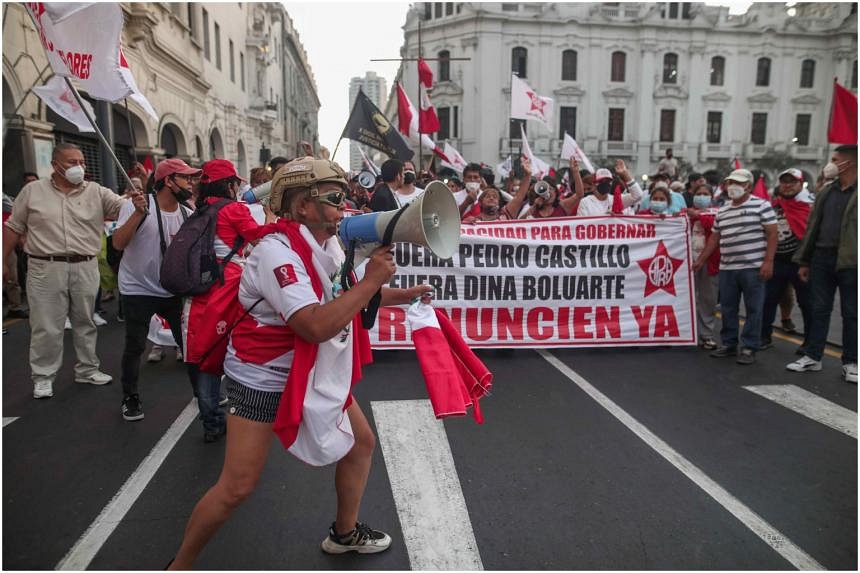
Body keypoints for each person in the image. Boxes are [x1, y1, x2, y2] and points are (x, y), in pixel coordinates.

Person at [167, 157, 432, 568]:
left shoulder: (325, 245)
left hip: (306, 370)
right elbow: (313, 324)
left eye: (343, 197)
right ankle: (178, 564)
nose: (343, 207)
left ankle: (344, 534)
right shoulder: (277, 254)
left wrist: (407, 292)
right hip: (262, 379)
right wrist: (372, 281)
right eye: (333, 198)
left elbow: (341, 295)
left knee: (359, 445)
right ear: (301, 205)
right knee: (236, 486)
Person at [3, 143, 134, 398]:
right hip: (44, 266)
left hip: (85, 265)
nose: (79, 167)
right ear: (55, 165)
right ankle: (43, 377)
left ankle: (87, 369)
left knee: (85, 321)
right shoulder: (32, 192)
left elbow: (125, 208)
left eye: (82, 162)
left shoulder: (96, 191)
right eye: (72, 162)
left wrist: (139, 196)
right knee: (46, 325)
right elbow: (13, 227)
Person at [182, 158, 276, 442]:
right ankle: (222, 416)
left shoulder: (200, 210)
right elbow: (261, 237)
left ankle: (211, 418)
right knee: (228, 352)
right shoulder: (233, 209)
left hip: (202, 289)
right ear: (231, 184)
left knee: (204, 353)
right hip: (228, 287)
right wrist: (270, 216)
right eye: (236, 182)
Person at [111, 158, 200, 422]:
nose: (191, 183)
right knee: (135, 345)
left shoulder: (187, 212)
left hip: (172, 289)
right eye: (185, 178)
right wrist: (138, 214)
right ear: (169, 181)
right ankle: (130, 397)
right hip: (137, 287)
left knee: (189, 342)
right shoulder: (137, 205)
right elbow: (118, 243)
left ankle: (202, 392)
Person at [786, 145, 857, 383]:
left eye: (836, 159)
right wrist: (805, 260)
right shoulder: (828, 191)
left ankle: (851, 362)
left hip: (851, 260)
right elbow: (813, 227)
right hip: (821, 257)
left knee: (852, 313)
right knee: (819, 308)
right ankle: (813, 356)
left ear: (849, 163)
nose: (831, 163)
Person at [693, 168, 777, 365]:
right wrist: (701, 259)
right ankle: (729, 344)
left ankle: (749, 346)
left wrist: (768, 261)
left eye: (738, 183)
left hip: (753, 267)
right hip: (728, 267)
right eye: (731, 182)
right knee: (728, 308)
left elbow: (772, 234)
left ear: (748, 186)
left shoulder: (762, 206)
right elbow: (715, 237)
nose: (733, 187)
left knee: (753, 308)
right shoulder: (723, 210)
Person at [760, 168, 812, 353]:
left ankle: (810, 344)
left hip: (802, 263)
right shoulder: (773, 206)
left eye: (792, 182)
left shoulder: (810, 206)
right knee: (768, 300)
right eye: (784, 181)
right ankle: (763, 337)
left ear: (801, 184)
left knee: (807, 303)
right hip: (777, 261)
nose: (788, 185)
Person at [686, 183, 720, 349]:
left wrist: (697, 216)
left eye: (705, 193)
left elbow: (713, 227)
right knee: (685, 298)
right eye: (698, 193)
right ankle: (684, 333)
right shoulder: (683, 214)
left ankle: (706, 335)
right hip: (685, 263)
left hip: (709, 262)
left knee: (708, 299)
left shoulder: (718, 213)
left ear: (711, 197)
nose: (701, 196)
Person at [462, 157, 532, 223]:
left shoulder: (505, 215)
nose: (491, 198)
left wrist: (528, 175)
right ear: (480, 202)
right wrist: (467, 222)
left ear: (499, 203)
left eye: (495, 197)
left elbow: (518, 198)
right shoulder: (472, 219)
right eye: (488, 196)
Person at [576, 160, 644, 216]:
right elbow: (582, 226)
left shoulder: (616, 199)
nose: (606, 183)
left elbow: (638, 195)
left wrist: (625, 174)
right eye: (602, 181)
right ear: (594, 184)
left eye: (609, 181)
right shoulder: (585, 202)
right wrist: (606, 218)